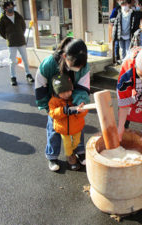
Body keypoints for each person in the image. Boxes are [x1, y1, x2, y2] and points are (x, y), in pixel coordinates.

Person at [35, 38, 90, 172]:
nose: (78, 69)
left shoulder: (84, 65)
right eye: (75, 65)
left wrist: (80, 102)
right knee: (54, 129)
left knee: (78, 127)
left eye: (80, 66)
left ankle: (80, 151)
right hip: (55, 102)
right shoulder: (49, 64)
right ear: (64, 56)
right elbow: (40, 85)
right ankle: (52, 156)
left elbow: (83, 86)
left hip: (73, 102)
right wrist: (48, 107)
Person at [48, 74, 88, 170]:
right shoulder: (53, 101)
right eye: (63, 92)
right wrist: (64, 111)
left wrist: (79, 111)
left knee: (77, 141)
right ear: (57, 92)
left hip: (76, 126)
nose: (67, 94)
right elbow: (52, 113)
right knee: (67, 144)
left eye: (69, 91)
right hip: (63, 128)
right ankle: (70, 156)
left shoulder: (75, 98)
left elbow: (84, 112)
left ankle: (73, 151)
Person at [0, 0, 34, 86]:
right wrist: (8, 37)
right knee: (12, 61)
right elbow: (0, 30)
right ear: (5, 8)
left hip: (21, 41)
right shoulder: (2, 19)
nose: (11, 8)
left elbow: (23, 26)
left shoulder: (18, 16)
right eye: (8, 7)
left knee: (25, 59)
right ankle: (13, 77)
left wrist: (20, 34)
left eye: (11, 6)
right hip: (11, 43)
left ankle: (28, 74)